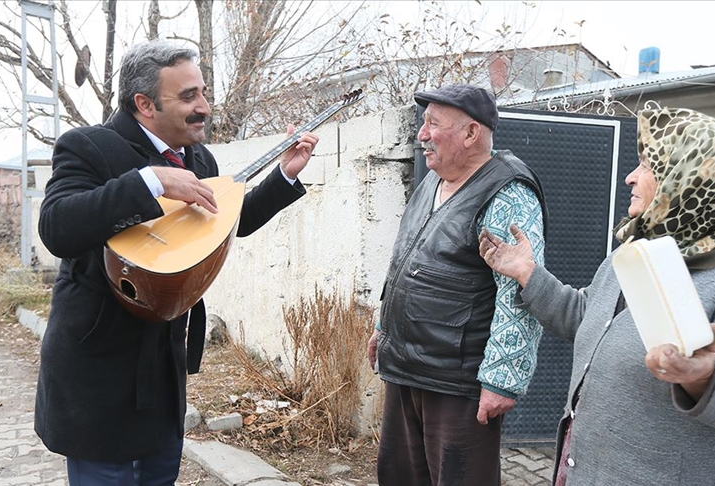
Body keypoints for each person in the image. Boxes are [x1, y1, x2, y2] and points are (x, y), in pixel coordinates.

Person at [34, 40, 319, 485]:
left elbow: (224, 224)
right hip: (99, 368)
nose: (204, 106)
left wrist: (284, 174)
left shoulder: (198, 157)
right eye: (189, 96)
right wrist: (148, 183)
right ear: (144, 104)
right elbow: (56, 229)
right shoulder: (88, 146)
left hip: (163, 369)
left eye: (203, 92)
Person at [479, 107, 715, 486]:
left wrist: (704, 376)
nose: (630, 177)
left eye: (647, 165)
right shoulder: (639, 249)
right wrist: (527, 272)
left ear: (690, 174)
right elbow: (586, 318)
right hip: (585, 469)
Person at [365, 83, 548, 486]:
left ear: (471, 134)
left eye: (433, 123)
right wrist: (384, 329)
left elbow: (518, 293)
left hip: (457, 381)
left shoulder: (508, 193)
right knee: (399, 476)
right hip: (406, 366)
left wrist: (502, 379)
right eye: (423, 122)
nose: (421, 134)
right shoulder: (433, 179)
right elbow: (405, 257)